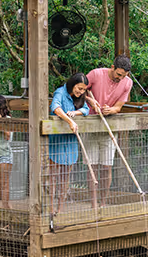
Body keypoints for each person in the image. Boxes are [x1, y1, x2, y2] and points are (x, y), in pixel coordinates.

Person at [85, 55, 133, 208]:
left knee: (106, 167)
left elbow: (118, 107)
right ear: (112, 67)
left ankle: (103, 203)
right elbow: (77, 91)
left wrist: (111, 110)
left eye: (124, 75)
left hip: (108, 126)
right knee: (92, 166)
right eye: (118, 74)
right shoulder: (96, 74)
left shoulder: (127, 83)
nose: (120, 78)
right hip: (90, 125)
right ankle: (93, 204)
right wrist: (90, 100)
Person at [49, 73, 90, 216]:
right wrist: (69, 120)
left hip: (71, 142)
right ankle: (50, 208)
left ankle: (60, 209)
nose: (80, 92)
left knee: (65, 177)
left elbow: (86, 110)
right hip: (57, 141)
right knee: (53, 175)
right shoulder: (60, 92)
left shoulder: (80, 97)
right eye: (79, 88)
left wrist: (75, 113)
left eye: (83, 90)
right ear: (73, 84)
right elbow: (55, 107)